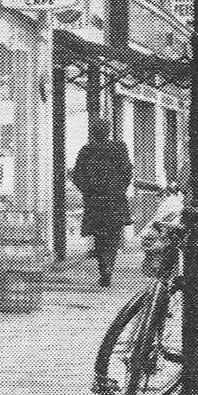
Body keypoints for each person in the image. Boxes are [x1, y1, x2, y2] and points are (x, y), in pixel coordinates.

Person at [71, 116, 133, 288]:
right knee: (113, 236)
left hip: (95, 201)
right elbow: (127, 171)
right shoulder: (119, 148)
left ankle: (103, 268)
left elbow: (77, 176)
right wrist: (119, 189)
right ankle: (108, 268)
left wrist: (89, 190)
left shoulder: (86, 150)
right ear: (108, 131)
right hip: (115, 200)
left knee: (99, 236)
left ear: (93, 132)